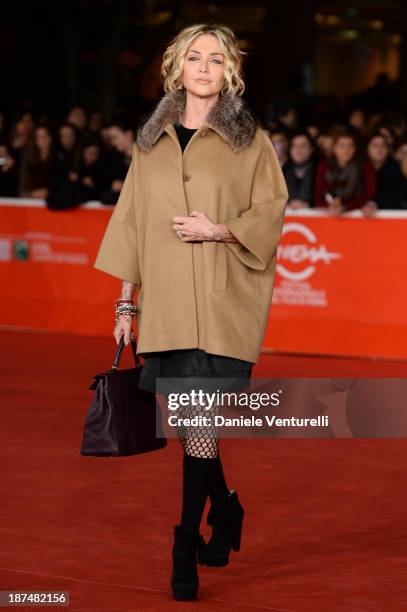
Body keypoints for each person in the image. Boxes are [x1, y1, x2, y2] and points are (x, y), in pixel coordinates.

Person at [93, 23, 288, 602]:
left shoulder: (250, 139)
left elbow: (272, 209)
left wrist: (220, 229)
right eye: (195, 58)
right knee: (191, 427)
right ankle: (225, 512)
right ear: (176, 67)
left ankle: (184, 541)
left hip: (224, 298)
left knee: (197, 424)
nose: (205, 68)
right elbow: (133, 220)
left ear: (230, 72)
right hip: (169, 303)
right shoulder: (149, 143)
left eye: (216, 59)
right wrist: (126, 300)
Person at [314, 131, 377, 216]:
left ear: (355, 149)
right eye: (342, 146)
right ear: (334, 148)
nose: (346, 150)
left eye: (350, 146)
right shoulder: (324, 167)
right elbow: (318, 198)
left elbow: (368, 197)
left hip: (356, 216)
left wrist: (345, 207)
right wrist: (330, 205)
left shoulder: (365, 166)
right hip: (330, 216)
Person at [367, 132, 407, 210]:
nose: (379, 149)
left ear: (388, 150)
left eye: (383, 145)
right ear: (367, 149)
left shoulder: (397, 171)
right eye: (375, 146)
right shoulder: (361, 170)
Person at [283, 131, 317, 209]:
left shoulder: (320, 170)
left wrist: (308, 205)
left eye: (303, 146)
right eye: (294, 146)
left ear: (311, 149)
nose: (298, 150)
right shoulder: (282, 170)